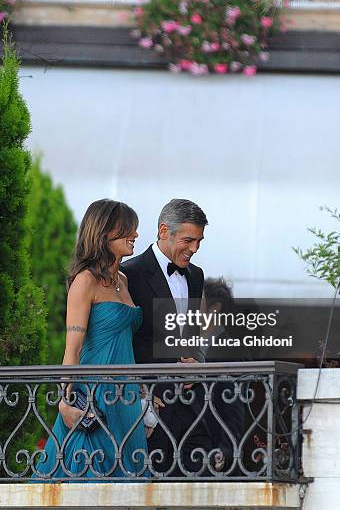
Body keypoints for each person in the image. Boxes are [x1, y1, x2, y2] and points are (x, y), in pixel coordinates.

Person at [121, 199, 241, 476]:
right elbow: (125, 339)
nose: (195, 249)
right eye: (189, 240)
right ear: (164, 231)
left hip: (190, 404)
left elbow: (191, 336)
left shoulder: (196, 275)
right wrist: (142, 389)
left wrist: (196, 368)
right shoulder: (130, 273)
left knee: (198, 483)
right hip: (149, 405)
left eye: (199, 241)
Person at [34, 199, 149, 479]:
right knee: (88, 480)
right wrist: (64, 402)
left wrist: (143, 392)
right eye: (127, 229)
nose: (134, 234)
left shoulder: (124, 279)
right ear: (103, 233)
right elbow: (72, 350)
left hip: (126, 396)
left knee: (128, 480)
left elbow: (124, 342)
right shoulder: (85, 281)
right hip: (94, 397)